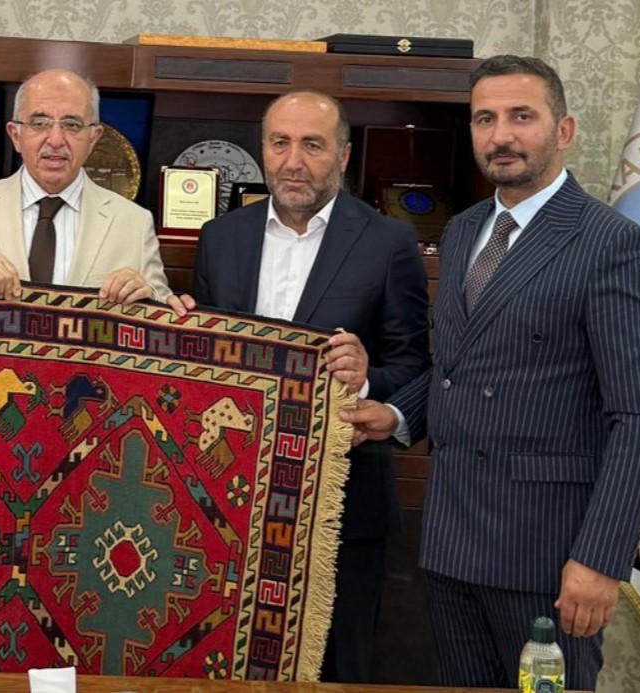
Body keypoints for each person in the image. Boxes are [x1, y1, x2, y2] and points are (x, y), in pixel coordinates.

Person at [342, 55, 640, 691]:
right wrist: (396, 415)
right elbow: (458, 368)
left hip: (549, 554)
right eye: (485, 119)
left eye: (521, 116)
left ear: (563, 131)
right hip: (452, 541)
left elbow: (639, 417)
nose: (501, 135)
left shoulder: (612, 244)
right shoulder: (461, 231)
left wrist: (599, 560)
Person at [194, 90, 430, 682]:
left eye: (312, 145)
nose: (293, 161)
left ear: (343, 156)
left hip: (343, 510)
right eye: (280, 143)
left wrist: (368, 376)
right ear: (263, 150)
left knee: (337, 670)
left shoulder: (389, 243)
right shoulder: (221, 237)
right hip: (230, 502)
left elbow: (417, 366)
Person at [0, 69, 186, 313]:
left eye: (72, 125)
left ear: (93, 138)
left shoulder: (134, 222)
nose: (55, 140)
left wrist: (149, 296)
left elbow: (163, 304)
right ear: (16, 135)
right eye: (39, 123)